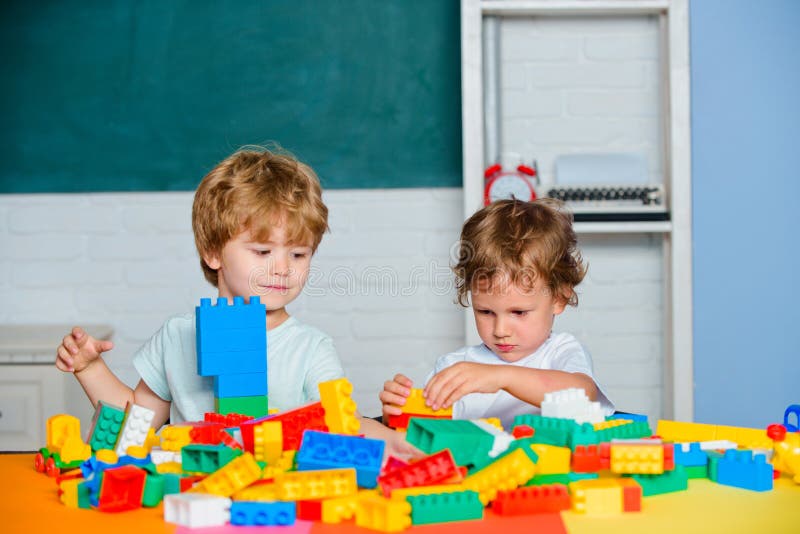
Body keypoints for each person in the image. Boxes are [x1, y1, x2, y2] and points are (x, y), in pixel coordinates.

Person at [54, 147, 399, 449]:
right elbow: (136, 427)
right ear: (213, 253)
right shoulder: (177, 336)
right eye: (263, 251)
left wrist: (399, 440)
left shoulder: (311, 349)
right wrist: (90, 368)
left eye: (298, 254)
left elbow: (344, 426)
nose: (282, 268)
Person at [380, 198, 614, 429]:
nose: (500, 330)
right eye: (485, 311)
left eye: (519, 312)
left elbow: (584, 395)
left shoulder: (561, 353)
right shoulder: (456, 367)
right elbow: (424, 430)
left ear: (559, 299)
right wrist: (398, 413)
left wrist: (501, 377)